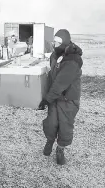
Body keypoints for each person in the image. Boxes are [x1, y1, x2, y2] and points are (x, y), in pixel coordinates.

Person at [38, 29, 83, 165]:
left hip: (68, 99)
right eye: (54, 41)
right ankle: (50, 141)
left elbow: (60, 83)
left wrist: (47, 99)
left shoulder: (73, 60)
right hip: (55, 98)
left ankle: (60, 149)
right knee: (51, 123)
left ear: (65, 41)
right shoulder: (56, 54)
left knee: (65, 126)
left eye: (58, 41)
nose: (55, 44)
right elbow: (53, 75)